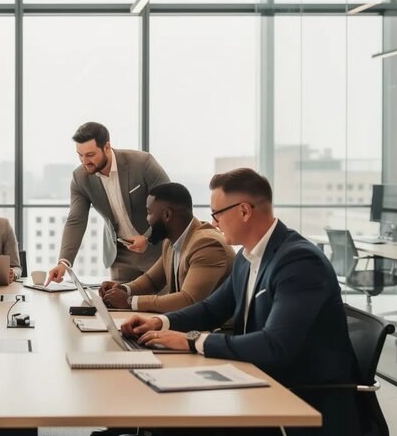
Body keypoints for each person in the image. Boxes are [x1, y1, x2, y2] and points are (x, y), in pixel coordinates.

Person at [121, 168, 359, 436]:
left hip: (298, 398)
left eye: (217, 214)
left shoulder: (299, 262)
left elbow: (275, 345)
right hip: (255, 379)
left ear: (244, 211)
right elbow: (212, 309)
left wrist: (191, 340)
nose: (213, 223)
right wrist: (160, 321)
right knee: (162, 409)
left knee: (173, 423)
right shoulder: (247, 258)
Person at [46, 122, 170, 285]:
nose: (85, 161)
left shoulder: (142, 163)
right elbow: (76, 220)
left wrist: (148, 238)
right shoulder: (80, 178)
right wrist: (64, 263)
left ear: (107, 147)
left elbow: (169, 202)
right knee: (119, 305)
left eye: (90, 155)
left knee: (158, 305)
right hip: (120, 255)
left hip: (155, 250)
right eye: (80, 155)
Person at [99, 182, 234, 313]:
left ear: (167, 215)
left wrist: (129, 302)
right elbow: (151, 281)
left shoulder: (206, 244)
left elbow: (188, 300)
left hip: (218, 332)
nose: (147, 219)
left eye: (149, 212)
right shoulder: (172, 241)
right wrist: (122, 289)